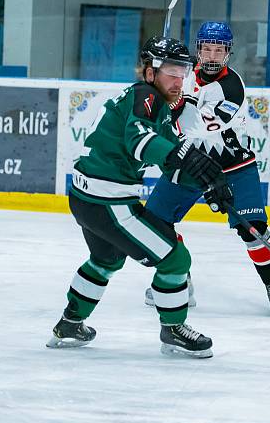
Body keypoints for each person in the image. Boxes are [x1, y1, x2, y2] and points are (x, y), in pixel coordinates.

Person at [46, 36, 233, 358]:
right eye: (171, 72)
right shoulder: (145, 96)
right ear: (149, 72)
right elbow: (140, 141)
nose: (178, 80)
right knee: (176, 259)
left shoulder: (157, 105)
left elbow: (171, 156)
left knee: (106, 260)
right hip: (110, 203)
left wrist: (210, 183)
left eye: (183, 72)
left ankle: (69, 324)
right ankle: (173, 329)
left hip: (88, 198)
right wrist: (185, 158)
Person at [144, 21, 270, 315]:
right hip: (189, 162)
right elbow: (158, 108)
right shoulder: (179, 76)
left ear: (227, 54)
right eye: (207, 49)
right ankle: (179, 277)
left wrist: (177, 104)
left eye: (219, 50)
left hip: (234, 164)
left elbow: (204, 124)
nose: (212, 55)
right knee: (153, 224)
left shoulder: (232, 86)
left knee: (254, 231)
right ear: (198, 50)